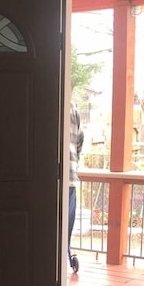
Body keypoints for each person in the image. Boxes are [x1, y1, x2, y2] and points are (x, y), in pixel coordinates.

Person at [68, 103, 84, 273]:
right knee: (66, 226)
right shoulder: (73, 109)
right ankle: (67, 254)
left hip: (58, 180)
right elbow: (80, 140)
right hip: (70, 177)